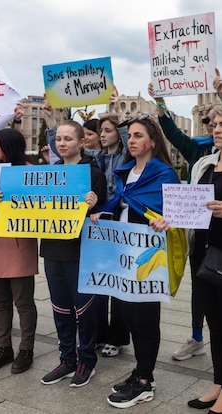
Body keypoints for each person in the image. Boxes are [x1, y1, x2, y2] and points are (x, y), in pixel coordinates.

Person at [153, 102, 222, 414]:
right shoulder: (203, 165)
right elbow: (190, 205)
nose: (216, 129)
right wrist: (170, 218)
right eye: (214, 124)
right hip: (202, 254)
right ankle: (218, 383)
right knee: (214, 323)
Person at [91, 114, 180, 409]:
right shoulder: (125, 172)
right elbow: (120, 204)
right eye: (130, 136)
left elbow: (177, 214)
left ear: (153, 141)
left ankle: (144, 381)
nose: (132, 141)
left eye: (139, 135)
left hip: (148, 257)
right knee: (127, 314)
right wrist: (100, 212)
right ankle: (141, 372)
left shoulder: (164, 173)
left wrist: (164, 221)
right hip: (122, 255)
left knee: (144, 320)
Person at [148, 68, 222, 362]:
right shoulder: (196, 149)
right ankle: (197, 338)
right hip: (200, 232)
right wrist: (159, 102)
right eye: (209, 121)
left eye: (221, 121)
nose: (213, 126)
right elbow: (171, 131)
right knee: (200, 286)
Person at [40, 119, 107, 387]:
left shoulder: (93, 173)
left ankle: (86, 361)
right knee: (60, 308)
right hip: (52, 248)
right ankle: (67, 359)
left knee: (84, 309)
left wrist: (94, 204)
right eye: (58, 139)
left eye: (68, 139)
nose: (62, 143)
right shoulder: (51, 171)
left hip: (81, 250)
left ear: (82, 142)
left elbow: (103, 213)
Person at [0, 128, 39, 374]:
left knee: (22, 301)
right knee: (0, 301)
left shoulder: (28, 171)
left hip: (18, 241)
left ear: (9, 145)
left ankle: (26, 350)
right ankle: (3, 348)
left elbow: (39, 206)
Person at [94, 112, 131, 358]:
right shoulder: (95, 157)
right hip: (98, 225)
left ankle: (117, 337)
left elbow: (129, 140)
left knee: (118, 284)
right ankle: (98, 333)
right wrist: (54, 120)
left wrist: (115, 109)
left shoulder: (125, 157)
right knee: (97, 281)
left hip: (119, 224)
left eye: (108, 130)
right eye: (101, 131)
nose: (102, 135)